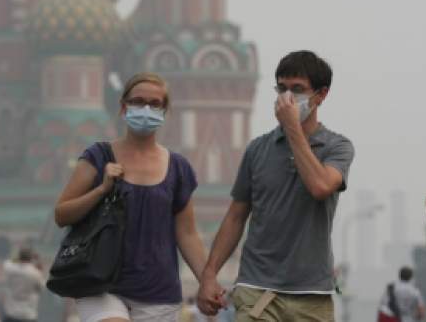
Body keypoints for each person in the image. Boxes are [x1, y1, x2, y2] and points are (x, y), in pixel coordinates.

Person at [197, 51, 355, 321]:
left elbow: (319, 186)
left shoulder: (336, 147)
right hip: (257, 288)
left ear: (321, 95)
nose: (287, 97)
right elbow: (236, 216)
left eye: (298, 89)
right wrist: (209, 274)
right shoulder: (258, 149)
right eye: (282, 88)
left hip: (311, 294)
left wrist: (293, 127)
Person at [54, 72, 207, 322]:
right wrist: (101, 190)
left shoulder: (178, 168)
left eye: (155, 104)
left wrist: (207, 280)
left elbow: (187, 234)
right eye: (138, 102)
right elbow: (62, 214)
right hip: (102, 283)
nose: (146, 108)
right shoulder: (98, 156)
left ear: (164, 111)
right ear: (124, 108)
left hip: (158, 291)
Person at [2, 248, 44, 322]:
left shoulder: (10, 268)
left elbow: (8, 262)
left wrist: (17, 258)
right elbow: (41, 288)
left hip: (12, 313)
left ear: (19, 257)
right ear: (30, 258)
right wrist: (39, 268)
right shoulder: (35, 273)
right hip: (28, 314)